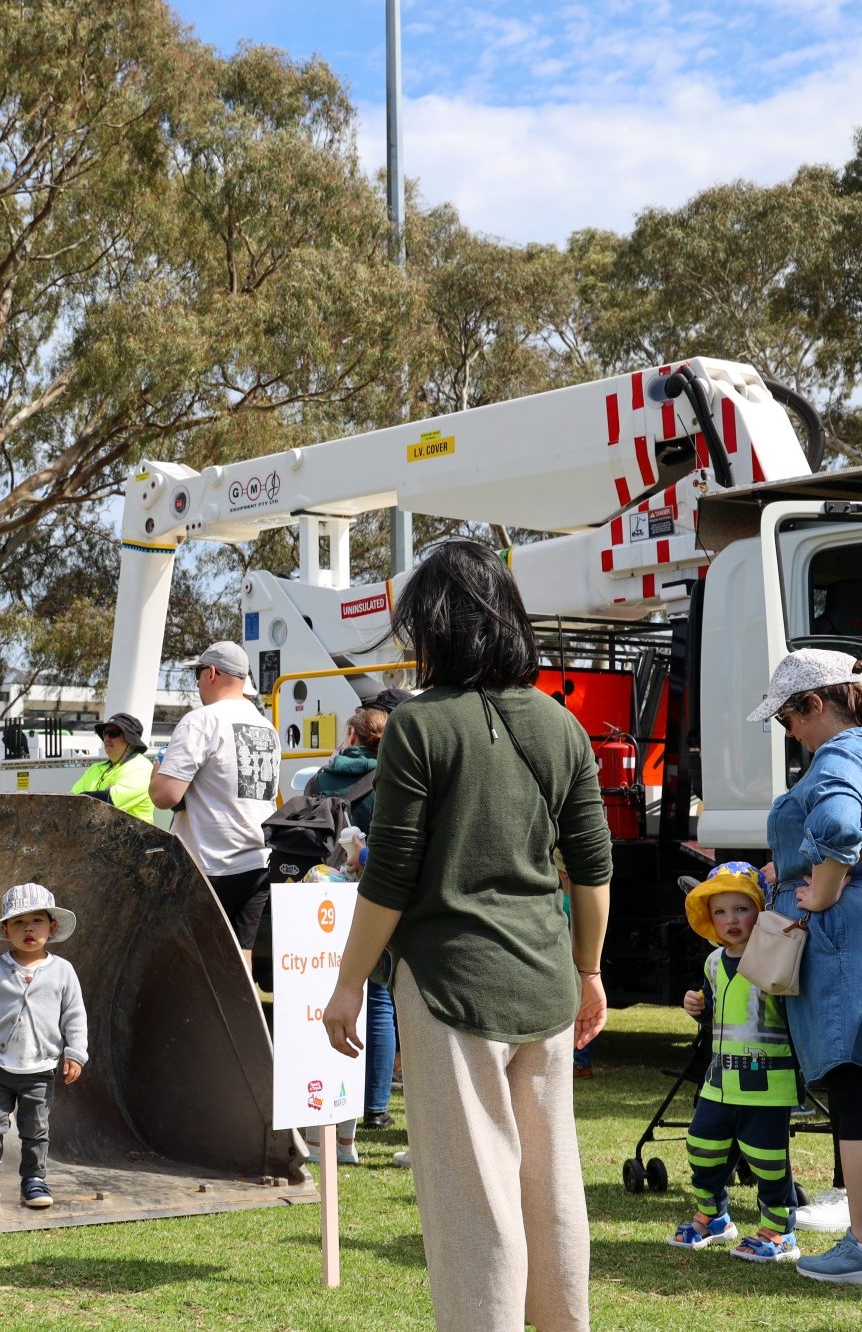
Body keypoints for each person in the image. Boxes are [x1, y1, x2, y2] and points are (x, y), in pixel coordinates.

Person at [319, 540, 612, 1332]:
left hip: (450, 985)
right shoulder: (561, 724)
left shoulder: (419, 725)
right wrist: (589, 971)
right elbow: (592, 869)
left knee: (472, 1200)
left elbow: (392, 874)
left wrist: (349, 982)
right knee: (551, 1189)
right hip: (546, 980)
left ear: (439, 628)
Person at [748, 649, 862, 1286]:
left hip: (850, 936)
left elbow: (835, 823)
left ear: (816, 705)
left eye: (789, 719)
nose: (791, 733)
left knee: (859, 1090)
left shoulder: (841, 755)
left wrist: (824, 889)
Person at [669, 862, 801, 1263]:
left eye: (741, 909)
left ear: (760, 911)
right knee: (702, 1146)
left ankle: (780, 1230)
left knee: (766, 1157)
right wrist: (698, 1007)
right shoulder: (711, 963)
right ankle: (714, 1216)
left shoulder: (776, 956)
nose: (731, 919)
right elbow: (717, 1012)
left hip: (768, 1082)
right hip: (719, 1080)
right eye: (721, 911)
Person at [0, 882, 88, 1211]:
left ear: (52, 928)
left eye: (37, 921)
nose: (28, 928)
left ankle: (34, 1179)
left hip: (39, 1067)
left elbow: (75, 1016)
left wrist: (75, 1054)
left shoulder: (62, 972)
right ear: (5, 930)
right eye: (18, 922)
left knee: (35, 1128)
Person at [147, 642, 279, 968]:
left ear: (212, 673)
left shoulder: (202, 721)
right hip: (257, 862)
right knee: (240, 959)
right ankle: (246, 1021)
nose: (196, 684)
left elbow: (166, 795)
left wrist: (156, 773)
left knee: (194, 965)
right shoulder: (267, 727)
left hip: (209, 865)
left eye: (197, 675)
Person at [313, 706, 395, 1136]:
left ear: (350, 734)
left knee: (329, 990)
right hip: (378, 893)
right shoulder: (395, 776)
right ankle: (376, 1107)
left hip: (323, 894)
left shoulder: (323, 776)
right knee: (380, 997)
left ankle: (326, 1101)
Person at [69, 712, 157, 824]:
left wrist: (83, 796)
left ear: (130, 741)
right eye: (105, 733)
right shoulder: (95, 769)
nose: (107, 738)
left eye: (114, 733)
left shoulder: (142, 767)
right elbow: (71, 801)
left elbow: (107, 803)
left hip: (134, 840)